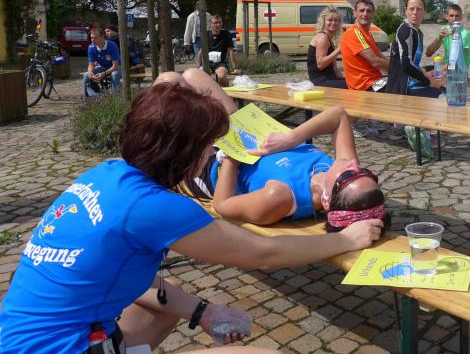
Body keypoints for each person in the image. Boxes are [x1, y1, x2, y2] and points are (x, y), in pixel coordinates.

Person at [0, 70, 382, 353]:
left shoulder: (106, 174)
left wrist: (204, 313)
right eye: (208, 144)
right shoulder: (155, 208)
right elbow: (264, 254)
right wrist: (346, 239)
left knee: (168, 310)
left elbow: (121, 278)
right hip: (70, 347)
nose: (211, 152)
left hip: (35, 338)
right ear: (187, 154)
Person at [199, 106, 389, 231]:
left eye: (349, 176)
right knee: (195, 77)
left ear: (326, 200)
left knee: (183, 87)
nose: (353, 164)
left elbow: (222, 205)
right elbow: (338, 115)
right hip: (249, 134)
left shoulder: (281, 197)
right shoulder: (340, 171)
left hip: (212, 164)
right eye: (364, 172)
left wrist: (231, 156)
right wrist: (290, 138)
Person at [386, 0, 444, 98]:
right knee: (443, 96)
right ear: (406, 11)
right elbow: (406, 65)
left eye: (419, 9)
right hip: (402, 87)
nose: (415, 12)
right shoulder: (405, 30)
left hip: (411, 81)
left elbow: (414, 63)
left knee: (440, 82)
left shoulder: (418, 33)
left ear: (425, 12)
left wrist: (424, 73)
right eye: (411, 9)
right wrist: (429, 82)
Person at [341, 0, 389, 92]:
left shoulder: (367, 34)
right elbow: (376, 62)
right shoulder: (354, 33)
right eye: (362, 10)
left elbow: (380, 55)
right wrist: (398, 68)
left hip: (375, 81)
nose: (365, 14)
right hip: (366, 87)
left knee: (407, 81)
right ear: (355, 13)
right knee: (408, 88)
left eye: (369, 11)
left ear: (373, 14)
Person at [425, 3, 470, 73]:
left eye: (457, 16)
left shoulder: (464, 34)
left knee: (429, 74)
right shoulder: (444, 29)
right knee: (422, 71)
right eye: (451, 16)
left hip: (459, 70)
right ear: (446, 17)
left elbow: (456, 60)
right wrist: (439, 38)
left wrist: (436, 72)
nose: (454, 18)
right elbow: (428, 53)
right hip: (446, 68)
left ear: (461, 17)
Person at [307, 6, 347, 89]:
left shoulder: (329, 39)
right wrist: (339, 49)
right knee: (353, 85)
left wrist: (343, 79)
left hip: (329, 78)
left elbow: (334, 67)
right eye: (330, 20)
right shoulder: (323, 37)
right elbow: (320, 64)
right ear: (324, 22)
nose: (333, 23)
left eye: (336, 20)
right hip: (320, 80)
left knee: (352, 83)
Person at [83, 26, 121, 96]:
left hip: (117, 67)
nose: (92, 40)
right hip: (104, 67)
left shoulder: (112, 46)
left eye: (95, 38)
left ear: (102, 37)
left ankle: (116, 97)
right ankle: (89, 98)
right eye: (91, 38)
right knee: (86, 75)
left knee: (114, 74)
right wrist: (90, 72)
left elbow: (115, 66)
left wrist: (104, 73)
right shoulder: (91, 47)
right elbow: (91, 64)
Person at [208, 14, 240, 87]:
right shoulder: (206, 34)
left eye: (220, 22)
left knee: (222, 76)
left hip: (220, 63)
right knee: (201, 76)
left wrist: (235, 68)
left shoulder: (226, 34)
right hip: (208, 63)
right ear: (211, 24)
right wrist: (199, 65)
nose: (218, 25)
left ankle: (227, 91)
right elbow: (201, 51)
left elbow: (231, 51)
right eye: (215, 23)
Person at [183, 1, 212, 66]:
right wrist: (186, 43)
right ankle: (200, 69)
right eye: (203, 5)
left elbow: (211, 26)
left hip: (207, 38)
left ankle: (207, 69)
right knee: (199, 57)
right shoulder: (191, 16)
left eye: (205, 5)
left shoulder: (208, 15)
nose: (205, 6)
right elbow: (188, 30)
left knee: (207, 56)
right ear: (197, 6)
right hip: (197, 39)